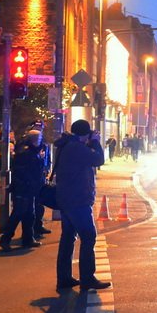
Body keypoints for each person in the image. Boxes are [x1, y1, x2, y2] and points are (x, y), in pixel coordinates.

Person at [53, 120, 110, 292]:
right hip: (77, 200)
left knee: (68, 238)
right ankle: (87, 278)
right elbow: (98, 159)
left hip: (67, 199)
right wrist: (95, 142)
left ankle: (64, 278)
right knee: (88, 236)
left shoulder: (67, 145)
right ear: (85, 134)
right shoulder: (76, 148)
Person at [0, 130, 46, 251]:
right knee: (18, 213)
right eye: (39, 138)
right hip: (23, 188)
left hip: (28, 188)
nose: (40, 140)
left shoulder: (31, 151)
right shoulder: (26, 153)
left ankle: (28, 239)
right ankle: (5, 239)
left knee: (29, 214)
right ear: (34, 139)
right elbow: (26, 172)